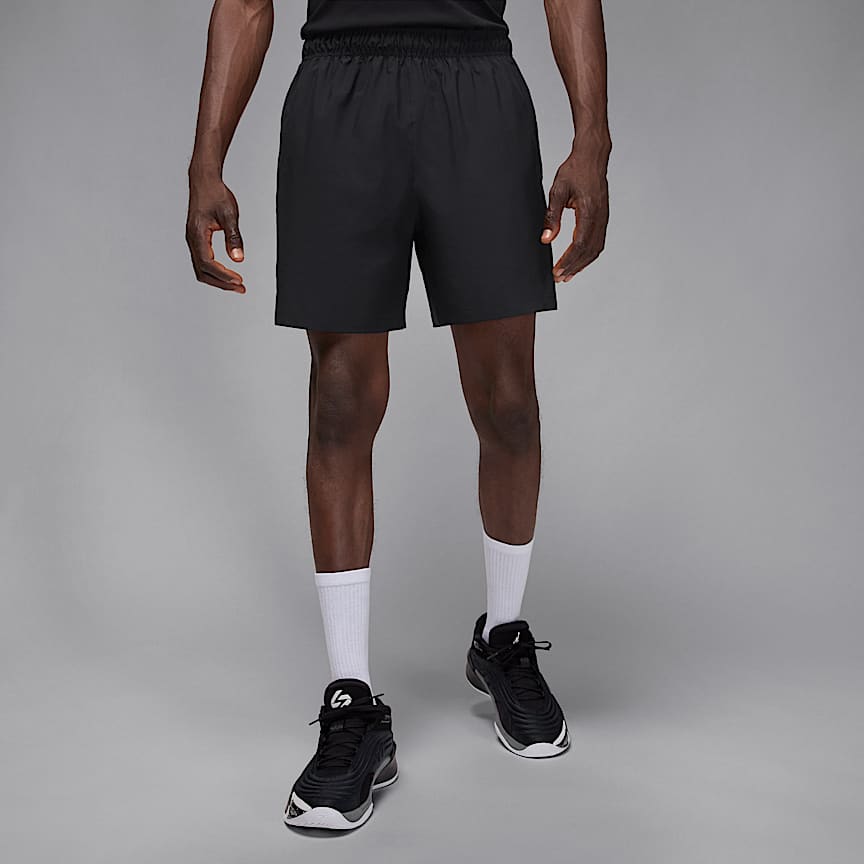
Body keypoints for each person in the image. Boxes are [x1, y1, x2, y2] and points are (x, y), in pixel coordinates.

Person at [186, 0, 610, 832]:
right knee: (339, 402)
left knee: (509, 403)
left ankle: (503, 638)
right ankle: (352, 703)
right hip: (340, 91)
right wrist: (207, 160)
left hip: (478, 88)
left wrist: (591, 139)